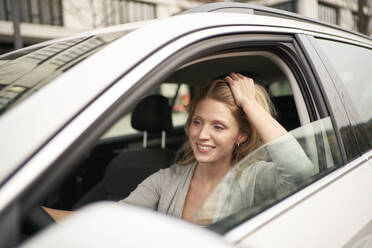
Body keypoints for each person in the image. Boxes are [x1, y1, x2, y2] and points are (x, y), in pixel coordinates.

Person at [44, 72, 313, 224]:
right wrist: (34, 214)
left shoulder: (255, 178)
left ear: (241, 135)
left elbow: (301, 171)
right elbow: (109, 221)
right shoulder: (166, 180)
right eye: (197, 122)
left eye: (218, 127)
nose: (201, 135)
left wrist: (250, 104)